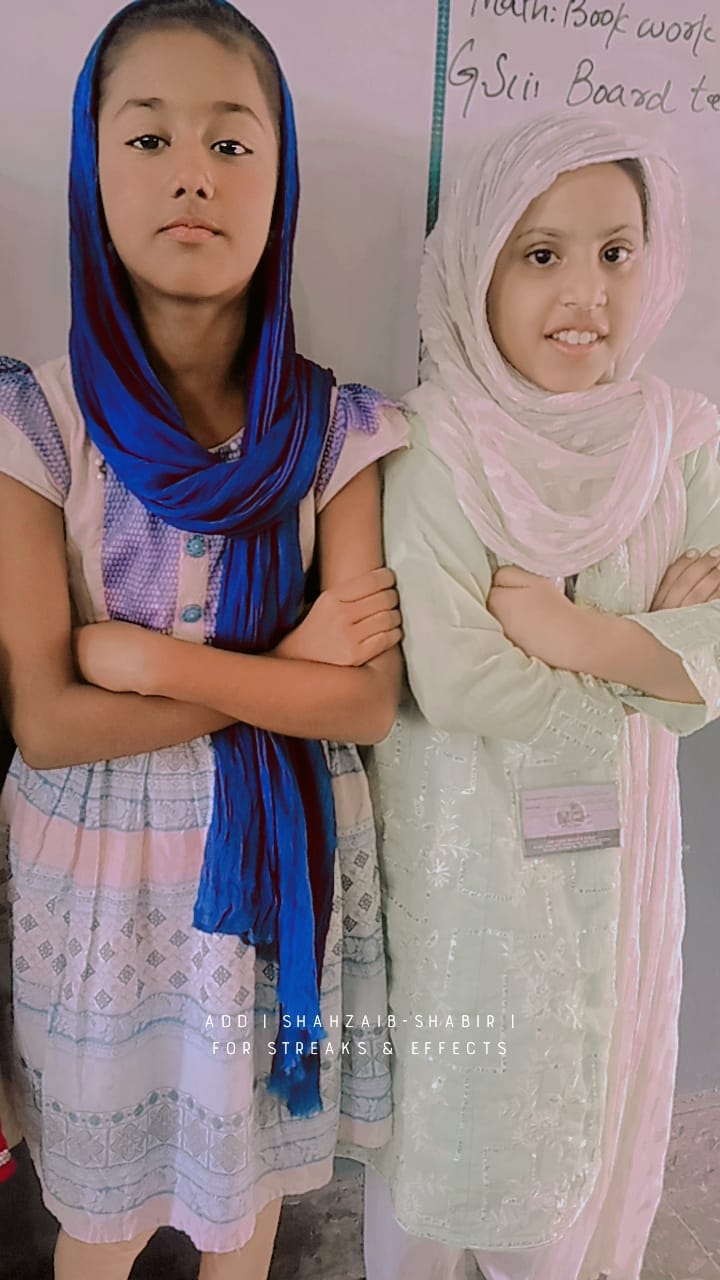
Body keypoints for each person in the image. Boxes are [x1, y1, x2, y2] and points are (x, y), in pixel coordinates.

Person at [0, 1, 407, 1276]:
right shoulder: (36, 423)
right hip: (98, 877)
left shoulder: (337, 428)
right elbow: (49, 722)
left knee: (250, 1192)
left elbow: (364, 703)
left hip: (277, 871)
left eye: (233, 144)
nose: (193, 174)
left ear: (281, 181)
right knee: (102, 1217)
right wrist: (286, 670)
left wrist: (153, 662)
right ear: (91, 168)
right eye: (148, 138)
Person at [361, 113, 720, 1280]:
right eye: (541, 252)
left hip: (624, 854)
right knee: (449, 1133)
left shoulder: (681, 440)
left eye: (616, 253)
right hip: (462, 861)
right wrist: (645, 662)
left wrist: (577, 634)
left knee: (592, 1115)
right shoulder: (432, 441)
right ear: (479, 266)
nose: (585, 293)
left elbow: (714, 657)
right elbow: (456, 673)